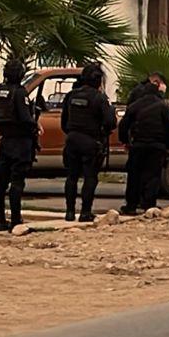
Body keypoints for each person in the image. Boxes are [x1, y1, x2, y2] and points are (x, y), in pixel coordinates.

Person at [0, 59, 36, 231]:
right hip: (21, 142)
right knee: (17, 182)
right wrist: (35, 126)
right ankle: (16, 220)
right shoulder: (19, 92)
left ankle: (0, 221)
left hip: (6, 142)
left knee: (2, 183)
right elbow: (25, 118)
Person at [60, 63, 116, 222]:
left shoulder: (71, 95)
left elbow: (64, 121)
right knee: (90, 177)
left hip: (72, 139)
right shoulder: (99, 98)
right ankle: (85, 212)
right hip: (91, 141)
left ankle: (69, 212)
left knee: (71, 177)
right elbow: (110, 122)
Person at [120, 72, 169, 214]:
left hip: (138, 145)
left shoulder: (134, 106)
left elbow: (123, 126)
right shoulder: (162, 106)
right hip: (156, 146)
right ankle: (149, 205)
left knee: (134, 176)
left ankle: (131, 206)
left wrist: (125, 142)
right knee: (153, 176)